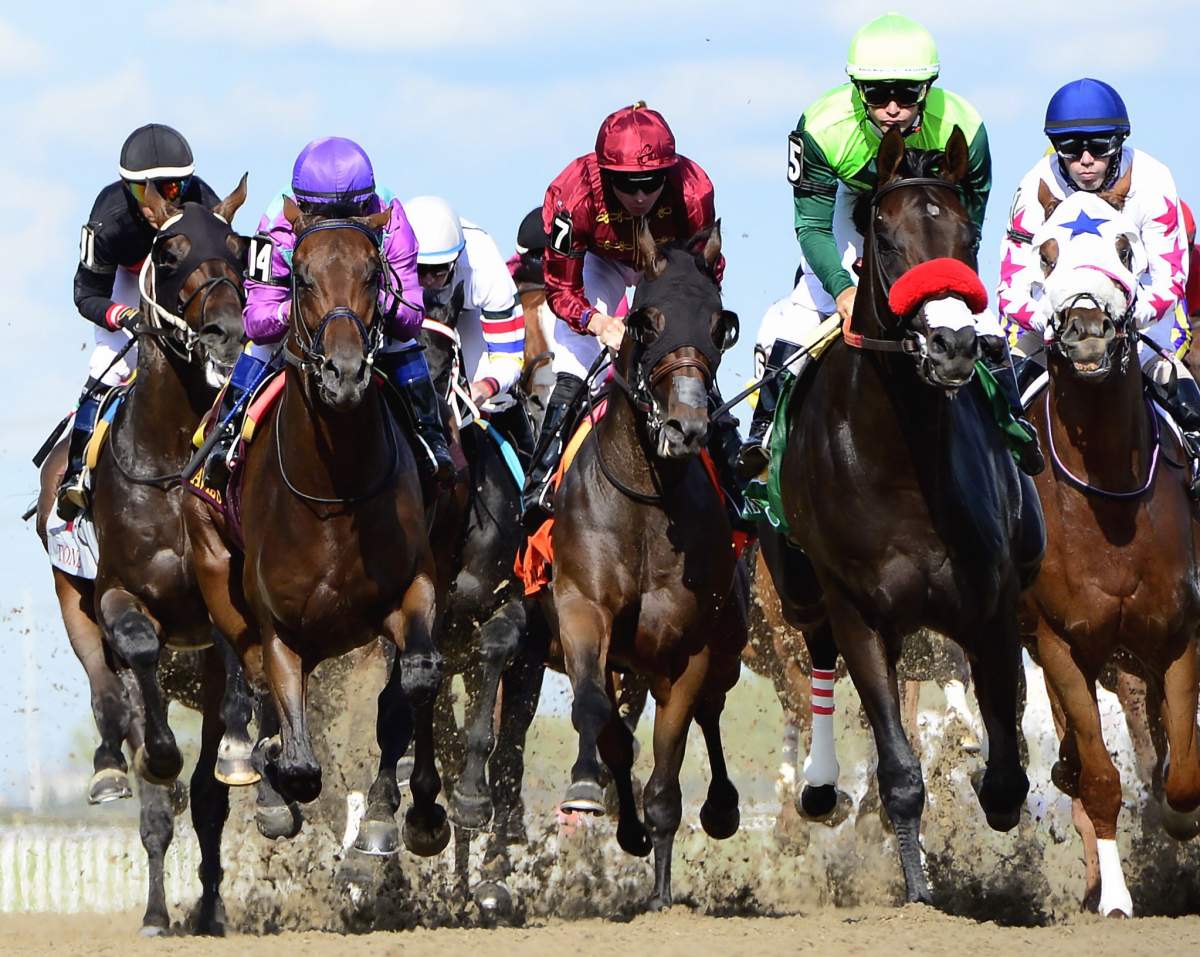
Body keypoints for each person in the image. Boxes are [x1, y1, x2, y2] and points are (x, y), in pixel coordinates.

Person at [739, 12, 1041, 478]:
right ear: (858, 90)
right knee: (802, 312)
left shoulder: (966, 126)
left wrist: (958, 288)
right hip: (850, 208)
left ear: (929, 89)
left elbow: (969, 224)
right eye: (878, 95)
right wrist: (841, 287)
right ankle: (760, 441)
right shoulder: (822, 128)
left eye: (907, 94)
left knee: (980, 321)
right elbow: (813, 228)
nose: (893, 107)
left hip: (928, 217)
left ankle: (1013, 422)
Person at [524, 101, 745, 529]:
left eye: (652, 183)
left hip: (669, 263)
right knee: (573, 356)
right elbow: (561, 289)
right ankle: (540, 481)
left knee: (687, 350)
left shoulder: (694, 191)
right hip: (599, 262)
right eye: (627, 185)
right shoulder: (571, 196)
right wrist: (598, 323)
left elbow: (705, 277)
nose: (641, 196)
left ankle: (735, 480)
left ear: (671, 173)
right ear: (605, 174)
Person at [201, 136, 453, 488]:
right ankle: (224, 439)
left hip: (367, 323)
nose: (335, 225)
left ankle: (431, 439)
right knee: (259, 348)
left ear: (366, 202)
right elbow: (257, 321)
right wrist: (294, 310)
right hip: (304, 322)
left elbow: (410, 318)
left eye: (350, 214)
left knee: (401, 343)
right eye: (321, 216)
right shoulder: (276, 221)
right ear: (301, 205)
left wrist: (365, 301)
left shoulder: (393, 218)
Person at [996, 78, 1196, 482]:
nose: (1085, 159)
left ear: (1118, 143)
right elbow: (1010, 284)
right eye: (1070, 148)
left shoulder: (1154, 181)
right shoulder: (1034, 185)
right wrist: (1048, 322)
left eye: (1099, 146)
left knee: (1179, 388)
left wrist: (1123, 317)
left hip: (1136, 317)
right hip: (1051, 321)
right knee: (997, 396)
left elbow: (1169, 276)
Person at [58, 124, 220, 519]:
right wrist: (123, 315)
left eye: (169, 190)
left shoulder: (203, 202)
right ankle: (77, 473)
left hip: (180, 285)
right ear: (125, 189)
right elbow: (87, 294)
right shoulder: (109, 219)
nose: (155, 204)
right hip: (127, 281)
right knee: (107, 369)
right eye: (142, 191)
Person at [405, 194, 533, 456]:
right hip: (414, 310)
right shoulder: (393, 261)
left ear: (455, 260)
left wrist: (484, 387)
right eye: (421, 270)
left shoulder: (484, 268)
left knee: (493, 394)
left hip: (470, 311)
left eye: (438, 270)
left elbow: (509, 359)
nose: (428, 280)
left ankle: (529, 472)